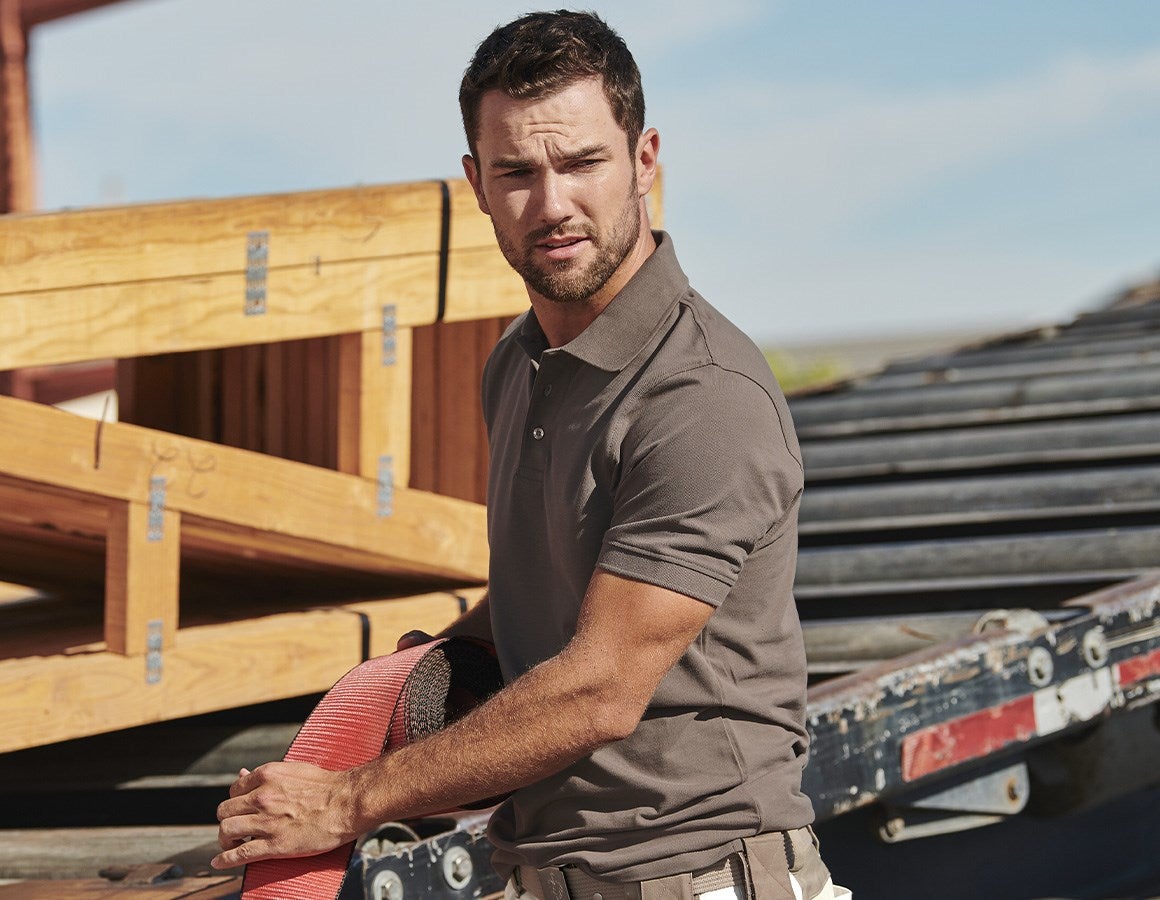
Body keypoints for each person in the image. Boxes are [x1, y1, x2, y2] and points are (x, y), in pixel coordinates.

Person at [214, 11, 847, 900]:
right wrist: (421, 670)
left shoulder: (703, 397)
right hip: (544, 876)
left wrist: (346, 801)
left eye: (582, 163)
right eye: (516, 172)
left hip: (698, 877)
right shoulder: (517, 364)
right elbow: (551, 593)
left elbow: (600, 689)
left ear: (645, 160)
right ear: (475, 183)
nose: (551, 206)